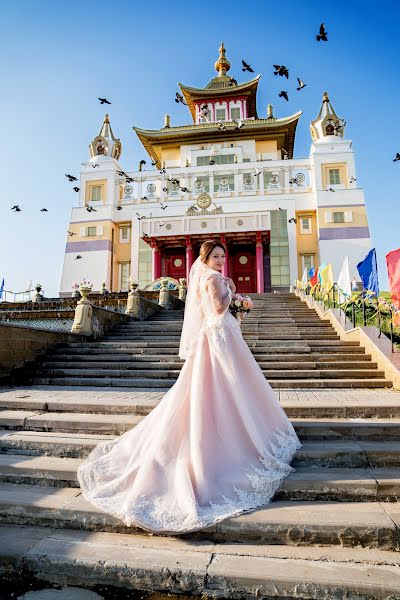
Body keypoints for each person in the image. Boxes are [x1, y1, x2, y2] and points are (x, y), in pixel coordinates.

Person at [77, 240, 301, 534]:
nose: (221, 260)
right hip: (219, 336)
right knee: (228, 383)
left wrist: (235, 300)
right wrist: (233, 293)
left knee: (220, 385)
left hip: (216, 336)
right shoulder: (212, 277)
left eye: (223, 255)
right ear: (206, 258)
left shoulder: (203, 276)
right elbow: (219, 308)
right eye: (216, 256)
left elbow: (214, 309)